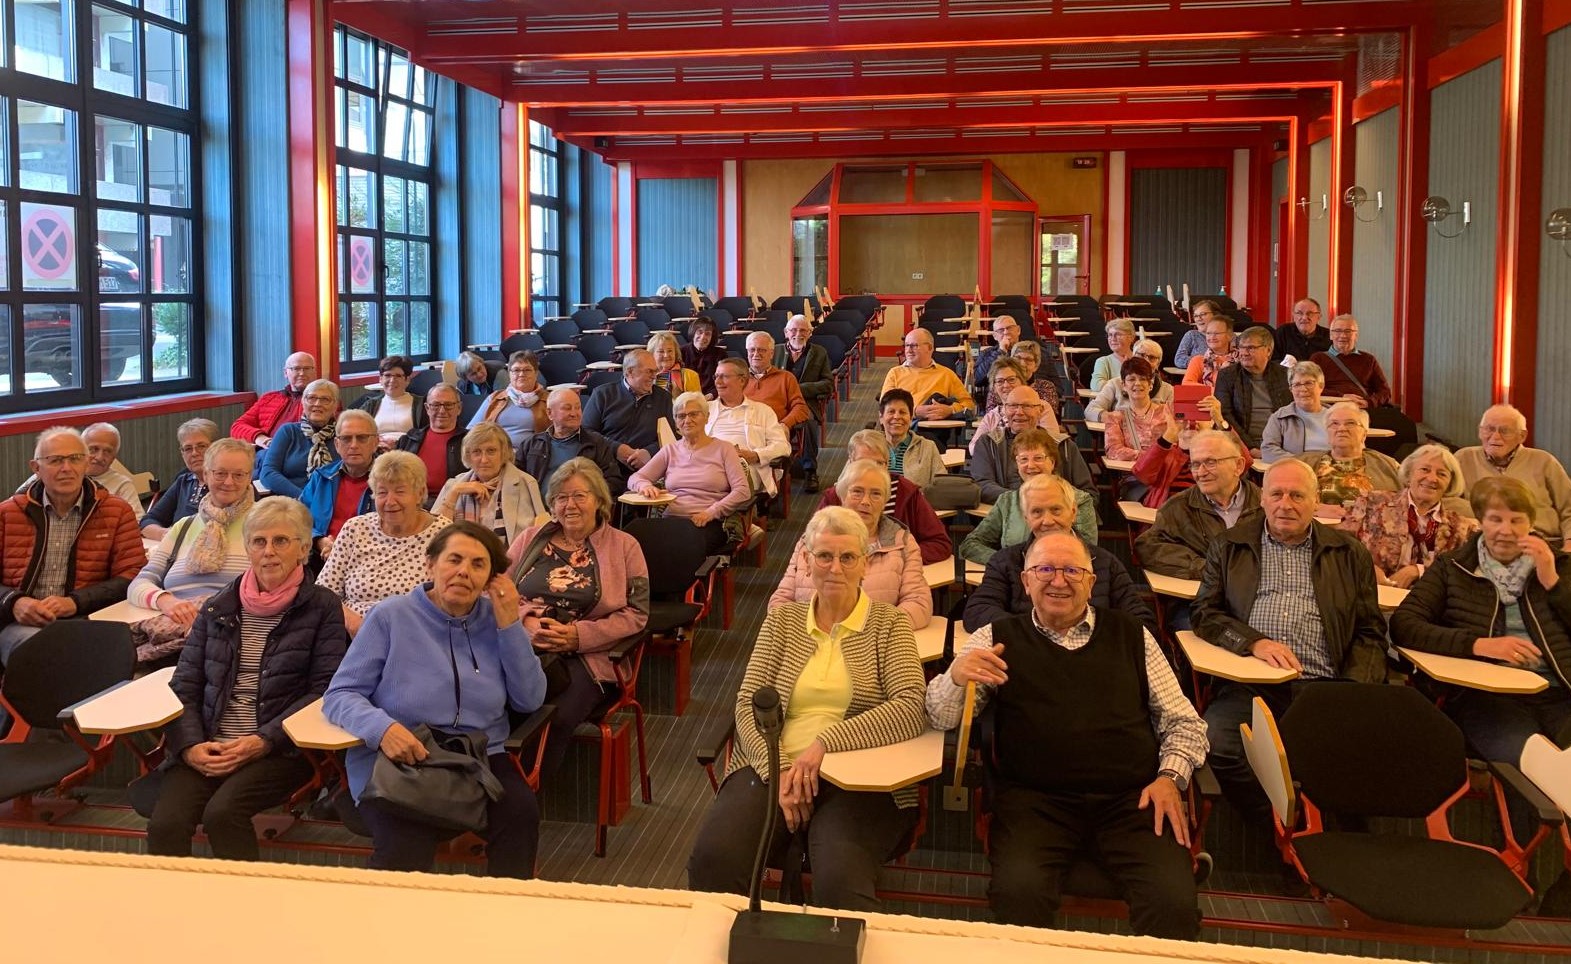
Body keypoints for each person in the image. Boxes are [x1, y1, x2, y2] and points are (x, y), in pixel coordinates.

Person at [930, 530, 1207, 939]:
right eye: (1044, 569)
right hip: (1033, 799)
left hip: (1133, 798)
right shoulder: (996, 638)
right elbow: (941, 715)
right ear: (1025, 581)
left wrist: (1171, 777)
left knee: (1173, 904)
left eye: (1072, 571)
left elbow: (1186, 723)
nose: (1058, 581)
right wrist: (954, 676)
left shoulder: (1133, 637)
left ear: (1091, 582)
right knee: (1017, 897)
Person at [687, 506, 928, 912]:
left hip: (860, 777)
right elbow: (748, 702)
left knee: (839, 881)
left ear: (865, 565)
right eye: (824, 556)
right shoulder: (783, 621)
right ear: (806, 561)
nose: (835, 568)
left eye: (848, 557)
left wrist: (823, 745)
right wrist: (779, 769)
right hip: (771, 767)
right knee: (714, 861)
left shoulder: (890, 624)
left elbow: (909, 708)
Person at [323, 522, 547, 878]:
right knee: (406, 844)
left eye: (478, 564)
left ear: (490, 578)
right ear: (431, 564)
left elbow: (530, 699)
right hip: (401, 754)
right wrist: (383, 729)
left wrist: (510, 628)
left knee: (520, 816)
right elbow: (340, 695)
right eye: (454, 559)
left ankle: (505, 919)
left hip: (477, 756)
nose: (463, 572)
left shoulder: (497, 621)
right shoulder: (390, 616)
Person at [146, 497, 346, 861]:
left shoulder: (322, 607)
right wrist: (190, 747)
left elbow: (324, 690)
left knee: (223, 816)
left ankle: (244, 911)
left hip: (280, 749)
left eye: (281, 541)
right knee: (165, 824)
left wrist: (261, 741)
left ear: (303, 549)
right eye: (259, 541)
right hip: (208, 743)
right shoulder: (217, 606)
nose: (269, 551)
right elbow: (184, 686)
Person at [1192, 459, 1389, 826]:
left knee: (1357, 753)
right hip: (1248, 686)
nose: (1286, 504)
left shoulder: (1349, 553)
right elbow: (1205, 613)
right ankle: (1283, 825)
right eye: (1277, 494)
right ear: (1261, 499)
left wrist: (1352, 691)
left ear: (1316, 502)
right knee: (1218, 744)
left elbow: (1370, 632)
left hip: (1326, 688)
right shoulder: (1230, 546)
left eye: (1297, 495)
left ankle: (1342, 842)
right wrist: (1253, 642)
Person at [1389, 477, 1571, 763]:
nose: (1505, 531)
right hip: (1486, 696)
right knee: (1530, 765)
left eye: (1517, 521)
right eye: (1495, 519)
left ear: (1531, 525)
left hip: (1560, 692)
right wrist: (1478, 645)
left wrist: (1553, 583)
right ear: (1480, 522)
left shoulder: (1560, 567)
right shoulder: (1453, 567)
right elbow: (1404, 625)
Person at [507, 458, 650, 778]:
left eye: (579, 496)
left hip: (590, 657)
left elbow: (638, 615)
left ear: (599, 500)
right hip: (524, 644)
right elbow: (496, 591)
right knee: (488, 700)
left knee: (554, 716)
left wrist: (577, 636)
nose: (569, 504)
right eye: (560, 497)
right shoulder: (530, 538)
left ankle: (522, 796)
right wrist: (528, 622)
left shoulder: (626, 546)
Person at [0, 428, 147, 665]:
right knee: (43, 652)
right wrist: (14, 602)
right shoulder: (8, 513)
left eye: (75, 459)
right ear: (36, 468)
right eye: (56, 460)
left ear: (87, 463)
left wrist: (75, 602)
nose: (66, 468)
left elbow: (133, 576)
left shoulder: (116, 511)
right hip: (19, 623)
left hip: (89, 618)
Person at [964, 474, 1154, 634]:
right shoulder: (1005, 561)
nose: (1047, 521)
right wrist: (1036, 633)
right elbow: (977, 611)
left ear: (1073, 512)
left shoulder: (1105, 562)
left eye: (1056, 510)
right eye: (1037, 512)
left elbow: (1142, 621)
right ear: (1026, 518)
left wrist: (1088, 638)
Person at [128, 440, 258, 664]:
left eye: (239, 475)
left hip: (233, 638)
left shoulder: (265, 524)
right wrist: (166, 601)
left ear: (249, 478)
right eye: (220, 473)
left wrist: (207, 616)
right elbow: (139, 584)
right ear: (206, 475)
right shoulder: (183, 527)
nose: (229, 482)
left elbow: (279, 590)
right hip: (173, 633)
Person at [772, 460, 931, 630]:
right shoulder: (811, 540)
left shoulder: (902, 542)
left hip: (874, 648)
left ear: (885, 501)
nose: (865, 501)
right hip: (811, 642)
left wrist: (866, 632)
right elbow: (781, 601)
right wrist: (813, 631)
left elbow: (918, 603)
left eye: (876, 494)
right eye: (857, 492)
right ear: (841, 495)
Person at [317, 451, 449, 637]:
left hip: (416, 635)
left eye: (400, 491)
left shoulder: (443, 534)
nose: (390, 501)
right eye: (382, 492)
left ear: (420, 494)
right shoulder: (356, 528)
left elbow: (448, 600)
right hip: (350, 636)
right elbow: (324, 591)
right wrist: (353, 623)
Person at [628, 392, 752, 555]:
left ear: (707, 417)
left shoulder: (724, 449)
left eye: (694, 414)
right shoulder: (670, 450)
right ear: (676, 422)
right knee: (631, 539)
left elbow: (742, 491)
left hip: (708, 522)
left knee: (679, 547)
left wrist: (711, 512)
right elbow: (635, 478)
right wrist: (644, 486)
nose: (687, 420)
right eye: (681, 416)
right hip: (671, 520)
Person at [1337, 445, 1478, 588]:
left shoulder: (1460, 528)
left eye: (1441, 474)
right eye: (1425, 469)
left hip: (1425, 605)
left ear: (1449, 484)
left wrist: (1418, 570)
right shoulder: (1372, 502)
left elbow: (1461, 572)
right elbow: (1339, 545)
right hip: (1366, 592)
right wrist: (1367, 567)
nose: (1431, 478)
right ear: (1409, 474)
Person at [1136, 430, 1261, 581]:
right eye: (1195, 464)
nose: (1201, 472)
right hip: (1202, 597)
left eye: (1210, 462)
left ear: (1239, 466)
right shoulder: (1178, 506)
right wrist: (1206, 568)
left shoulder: (1267, 506)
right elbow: (1148, 547)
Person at [961, 429, 1098, 563]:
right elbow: (970, 544)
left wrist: (1040, 565)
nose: (1030, 465)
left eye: (1038, 458)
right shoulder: (1007, 501)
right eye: (1023, 459)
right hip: (1015, 577)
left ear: (1053, 462)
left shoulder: (1079, 500)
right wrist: (1008, 562)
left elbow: (1088, 551)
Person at [818, 431, 951, 565]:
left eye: (878, 463)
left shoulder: (907, 492)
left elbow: (940, 543)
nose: (870, 470)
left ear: (887, 464)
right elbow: (813, 542)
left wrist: (896, 558)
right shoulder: (834, 496)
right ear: (851, 462)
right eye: (863, 463)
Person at [1456, 404, 1571, 549]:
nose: (1495, 436)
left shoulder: (1544, 461)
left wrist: (1569, 546)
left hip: (1545, 542)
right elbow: (1446, 501)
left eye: (1505, 431)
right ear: (1480, 432)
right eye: (1489, 429)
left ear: (1522, 436)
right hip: (1487, 545)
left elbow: (1569, 506)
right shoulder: (1463, 458)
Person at [432, 422, 547, 548]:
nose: (484, 459)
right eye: (477, 452)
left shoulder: (526, 483)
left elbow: (538, 534)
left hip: (510, 563)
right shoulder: (454, 485)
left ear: (503, 453)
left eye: (491, 451)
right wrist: (454, 493)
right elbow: (434, 535)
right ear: (468, 456)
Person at [972, 386, 1093, 501]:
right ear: (1004, 410)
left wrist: (1048, 501)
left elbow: (1088, 493)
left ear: (1040, 411)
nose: (1019, 412)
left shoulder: (1064, 446)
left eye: (1027, 406)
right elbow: (981, 485)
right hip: (1004, 517)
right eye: (1013, 406)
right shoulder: (988, 443)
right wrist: (1022, 499)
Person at [1129, 395, 1242, 509]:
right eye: (1185, 416)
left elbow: (1243, 462)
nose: (1192, 422)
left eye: (1199, 415)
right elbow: (1142, 474)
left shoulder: (1221, 452)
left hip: (1209, 518)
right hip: (1169, 518)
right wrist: (1169, 435)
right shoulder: (1165, 452)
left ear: (1211, 423)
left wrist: (1220, 421)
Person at [299, 409, 379, 558]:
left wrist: (343, 551)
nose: (353, 445)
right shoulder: (321, 476)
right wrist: (318, 540)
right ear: (337, 444)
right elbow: (298, 518)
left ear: (376, 442)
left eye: (362, 438)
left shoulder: (389, 480)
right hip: (318, 555)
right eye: (346, 439)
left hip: (370, 560)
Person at [706, 357, 790, 499]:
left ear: (742, 380)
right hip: (707, 462)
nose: (718, 382)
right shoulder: (705, 409)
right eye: (716, 376)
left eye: (724, 377)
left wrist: (756, 455)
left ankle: (729, 515)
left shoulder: (763, 411)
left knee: (724, 477)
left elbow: (782, 446)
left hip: (745, 466)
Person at [744, 331, 817, 492]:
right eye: (752, 350)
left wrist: (785, 424)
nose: (756, 354)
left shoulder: (786, 378)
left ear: (771, 353)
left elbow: (801, 408)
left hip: (772, 431)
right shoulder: (738, 378)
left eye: (762, 350)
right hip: (742, 429)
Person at [516, 387, 624, 497]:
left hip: (580, 509)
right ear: (549, 413)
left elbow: (614, 482)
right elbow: (514, 479)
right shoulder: (531, 444)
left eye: (578, 408)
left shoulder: (596, 443)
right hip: (536, 510)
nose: (574, 413)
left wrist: (585, 495)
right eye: (567, 408)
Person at [1302, 402, 1401, 520]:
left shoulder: (1389, 465)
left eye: (1350, 423)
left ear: (1364, 434)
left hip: (1371, 532)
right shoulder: (1304, 464)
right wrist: (1315, 508)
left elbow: (1411, 501)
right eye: (1334, 424)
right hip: (1320, 533)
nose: (1341, 428)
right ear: (1327, 433)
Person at [583, 349, 673, 472]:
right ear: (630, 372)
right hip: (605, 467)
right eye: (649, 371)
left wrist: (648, 452)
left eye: (655, 371)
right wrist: (616, 449)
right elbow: (586, 433)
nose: (654, 376)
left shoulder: (663, 398)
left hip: (648, 469)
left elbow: (671, 436)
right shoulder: (602, 394)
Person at [1213, 325, 1290, 458]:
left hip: (1282, 445)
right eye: (1241, 347)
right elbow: (1225, 415)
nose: (1244, 353)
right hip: (1240, 445)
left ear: (1268, 350)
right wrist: (1250, 447)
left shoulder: (1285, 375)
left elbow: (1292, 412)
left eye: (1250, 348)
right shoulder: (1228, 375)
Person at [256, 378, 339, 499]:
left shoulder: (343, 435)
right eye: (311, 398)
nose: (317, 404)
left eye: (325, 399)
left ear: (335, 406)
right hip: (292, 502)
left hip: (333, 501)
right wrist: (304, 497)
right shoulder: (288, 432)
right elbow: (268, 473)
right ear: (303, 403)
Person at [141, 418, 221, 539]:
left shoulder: (229, 484)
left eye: (201, 446)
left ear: (216, 447)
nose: (194, 453)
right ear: (182, 453)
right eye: (188, 448)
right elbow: (147, 521)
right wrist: (166, 535)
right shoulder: (183, 481)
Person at [879, 328, 975, 419]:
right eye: (907, 345)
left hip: (938, 429)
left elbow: (968, 404)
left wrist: (950, 410)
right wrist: (914, 412)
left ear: (929, 348)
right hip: (905, 428)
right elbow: (885, 407)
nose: (909, 350)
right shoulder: (895, 373)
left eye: (914, 345)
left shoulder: (946, 374)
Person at [394, 383, 468, 498]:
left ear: (459, 408)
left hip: (454, 503)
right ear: (427, 408)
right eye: (436, 405)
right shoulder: (409, 439)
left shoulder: (470, 441)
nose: (442, 411)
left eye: (448, 405)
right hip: (411, 502)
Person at [970, 358, 1062, 449]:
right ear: (994, 387)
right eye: (1000, 381)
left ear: (1022, 381)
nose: (1006, 385)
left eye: (1011, 380)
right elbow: (973, 447)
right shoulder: (992, 416)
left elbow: (1052, 442)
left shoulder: (1040, 407)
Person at [231, 352, 318, 447]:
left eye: (307, 368)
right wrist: (260, 438)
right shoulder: (268, 398)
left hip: (298, 452)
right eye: (296, 369)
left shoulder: (322, 399)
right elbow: (237, 426)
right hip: (265, 450)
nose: (301, 373)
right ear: (285, 373)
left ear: (314, 371)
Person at [1308, 314, 1393, 408]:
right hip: (1329, 408)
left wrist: (1369, 403)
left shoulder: (1369, 359)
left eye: (1348, 331)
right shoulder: (1318, 358)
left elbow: (1385, 392)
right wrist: (1342, 397)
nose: (1343, 335)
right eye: (1338, 331)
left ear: (1356, 336)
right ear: (1331, 335)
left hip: (1362, 410)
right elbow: (1310, 387)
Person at [469, 350, 547, 447]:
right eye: (516, 370)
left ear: (536, 374)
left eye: (527, 370)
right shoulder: (495, 398)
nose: (521, 374)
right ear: (509, 374)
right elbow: (472, 429)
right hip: (495, 454)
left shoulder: (548, 400)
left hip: (532, 455)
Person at [1083, 339, 1171, 422]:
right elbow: (1090, 410)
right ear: (1133, 356)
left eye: (1152, 358)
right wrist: (1113, 418)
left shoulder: (1168, 390)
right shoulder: (1115, 384)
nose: (1145, 361)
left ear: (1158, 364)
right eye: (1141, 355)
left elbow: (1179, 419)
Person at [1103, 357, 1172, 463]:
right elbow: (1113, 451)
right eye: (1131, 379)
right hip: (1132, 475)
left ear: (1151, 384)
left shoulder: (1167, 412)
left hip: (1164, 475)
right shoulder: (1115, 418)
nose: (1138, 383)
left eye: (1143, 379)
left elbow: (1177, 447)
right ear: (1123, 385)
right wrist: (1152, 456)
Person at [1259, 361, 1330, 463]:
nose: (1303, 389)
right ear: (1290, 389)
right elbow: (1268, 451)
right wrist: (1305, 462)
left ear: (1321, 386)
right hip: (1297, 472)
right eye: (1296, 385)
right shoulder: (1280, 417)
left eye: (1308, 383)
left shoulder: (1336, 416)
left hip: (1333, 472)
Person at [878, 388, 947, 490]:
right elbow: (848, 483)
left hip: (915, 504)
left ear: (910, 419)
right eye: (891, 412)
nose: (897, 416)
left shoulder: (928, 447)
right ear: (881, 418)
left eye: (902, 412)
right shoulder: (868, 446)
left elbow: (942, 486)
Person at [350, 354, 426, 447]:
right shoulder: (371, 404)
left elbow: (426, 435)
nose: (392, 380)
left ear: (407, 380)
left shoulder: (421, 404)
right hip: (376, 452)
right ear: (381, 379)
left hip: (408, 452)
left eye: (398, 376)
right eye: (387, 375)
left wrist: (399, 443)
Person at [775, 314, 833, 427]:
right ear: (786, 332)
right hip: (778, 401)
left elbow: (828, 384)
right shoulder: (774, 351)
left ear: (809, 333)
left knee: (805, 422)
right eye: (793, 330)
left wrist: (798, 389)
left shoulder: (819, 352)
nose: (798, 334)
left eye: (803, 330)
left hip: (806, 402)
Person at [1006, 340, 1062, 417]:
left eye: (1028, 360)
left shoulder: (1046, 387)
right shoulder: (1002, 385)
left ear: (1036, 366)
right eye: (1018, 358)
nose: (1022, 364)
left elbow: (1046, 416)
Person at [1181, 315, 1236, 389]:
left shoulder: (1241, 359)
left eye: (1217, 333)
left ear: (1230, 335)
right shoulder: (1198, 360)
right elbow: (1186, 384)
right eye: (1208, 333)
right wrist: (1215, 391)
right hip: (1206, 399)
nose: (1212, 337)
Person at [681, 315, 729, 396]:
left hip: (711, 398)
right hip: (685, 397)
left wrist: (710, 395)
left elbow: (723, 380)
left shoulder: (720, 354)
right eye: (699, 332)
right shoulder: (681, 352)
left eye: (707, 334)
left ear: (712, 337)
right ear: (693, 333)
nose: (703, 337)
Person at [973, 315, 1021, 396]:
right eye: (1001, 330)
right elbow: (978, 380)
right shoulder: (987, 353)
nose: (1006, 332)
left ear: (1018, 330)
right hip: (996, 397)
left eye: (1009, 328)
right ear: (995, 336)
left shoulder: (1031, 350)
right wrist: (1001, 351)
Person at [1274, 297, 1331, 363]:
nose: (1304, 318)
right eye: (1299, 313)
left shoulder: (1329, 336)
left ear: (1319, 317)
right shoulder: (1283, 332)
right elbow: (1273, 361)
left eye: (1310, 313)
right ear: (1294, 316)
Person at [1172, 299, 1222, 370]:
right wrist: (1204, 362)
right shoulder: (1192, 335)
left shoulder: (1228, 336)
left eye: (1203, 314)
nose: (1199, 319)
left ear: (1216, 315)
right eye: (1195, 316)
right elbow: (1179, 359)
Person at [648, 331, 701, 397]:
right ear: (652, 354)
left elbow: (696, 405)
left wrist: (679, 397)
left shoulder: (691, 376)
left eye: (670, 351)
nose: (666, 355)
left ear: (675, 353)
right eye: (661, 351)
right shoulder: (645, 376)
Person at [1089, 319, 1137, 391]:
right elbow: (1097, 385)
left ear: (1131, 337)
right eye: (1110, 335)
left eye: (1118, 334)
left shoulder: (1140, 360)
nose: (1113, 339)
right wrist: (1128, 382)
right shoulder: (1103, 361)